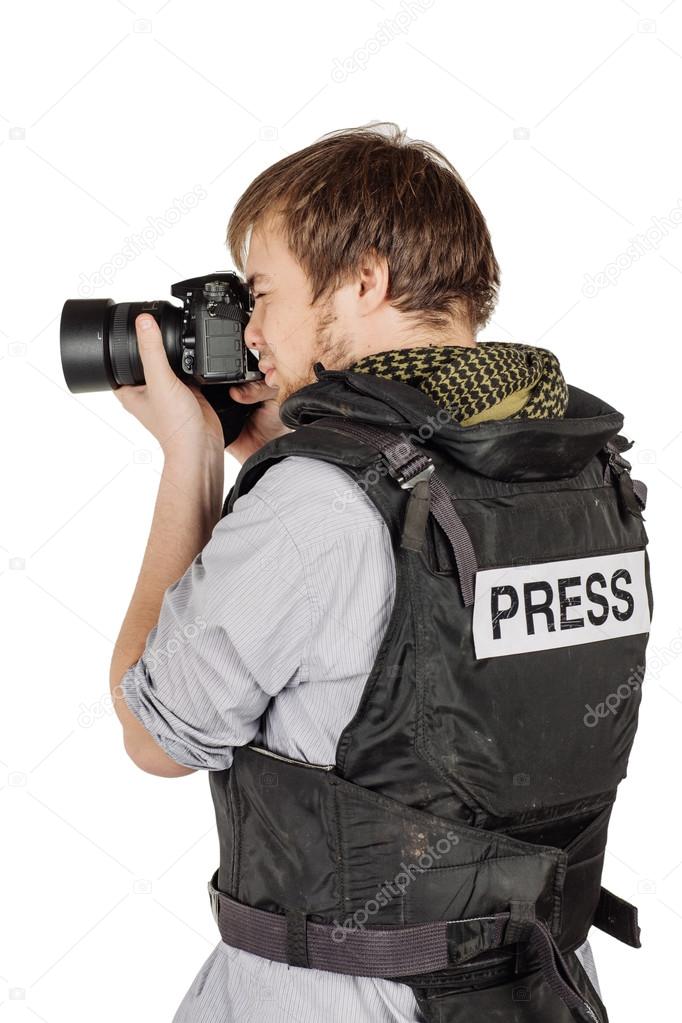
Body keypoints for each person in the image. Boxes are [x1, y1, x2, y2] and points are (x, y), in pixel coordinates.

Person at [110, 123, 647, 1022]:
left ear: (364, 278)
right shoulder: (591, 477)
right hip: (545, 990)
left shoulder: (321, 501)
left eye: (263, 293)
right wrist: (310, 450)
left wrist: (191, 458)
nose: (250, 333)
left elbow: (154, 732)